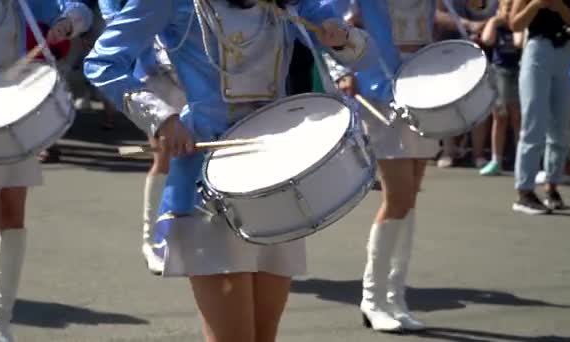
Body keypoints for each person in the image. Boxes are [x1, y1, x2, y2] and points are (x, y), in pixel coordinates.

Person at [84, 0, 373, 341]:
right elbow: (103, 61)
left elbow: (359, 55)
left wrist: (340, 37)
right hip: (209, 185)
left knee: (265, 336)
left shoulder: (293, 3)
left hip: (278, 173)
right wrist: (163, 119)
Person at [0, 1, 92, 341]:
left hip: (14, 110)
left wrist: (66, 23)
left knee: (13, 221)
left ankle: (0, 320)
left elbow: (78, 9)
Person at [335, 0, 442, 333]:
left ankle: (396, 298)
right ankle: (372, 298)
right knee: (397, 197)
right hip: (379, 88)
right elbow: (330, 23)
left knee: (409, 198)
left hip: (425, 88)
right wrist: (342, 72)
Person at [97, 0, 188, 275]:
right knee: (165, 158)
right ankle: (154, 242)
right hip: (156, 75)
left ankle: (190, 240)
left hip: (196, 75)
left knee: (199, 157)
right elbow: (117, 21)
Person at [510, 0, 570, 214]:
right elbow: (515, 24)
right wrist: (536, 5)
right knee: (534, 120)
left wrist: (561, 8)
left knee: (561, 123)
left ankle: (552, 186)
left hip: (566, 51)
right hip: (538, 49)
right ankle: (524, 191)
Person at [435, 0, 498, 169]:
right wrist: (468, 25)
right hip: (448, 48)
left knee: (479, 101)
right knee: (448, 102)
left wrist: (485, 27)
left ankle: (478, 154)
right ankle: (448, 151)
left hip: (483, 48)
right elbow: (436, 14)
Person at [479, 0, 523, 176]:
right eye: (506, 6)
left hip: (519, 70)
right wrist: (495, 21)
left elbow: (519, 42)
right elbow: (486, 40)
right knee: (500, 116)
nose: (508, 10)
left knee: (517, 117)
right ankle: (496, 160)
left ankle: (521, 160)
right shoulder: (496, 23)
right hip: (501, 71)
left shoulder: (521, 23)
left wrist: (514, 21)